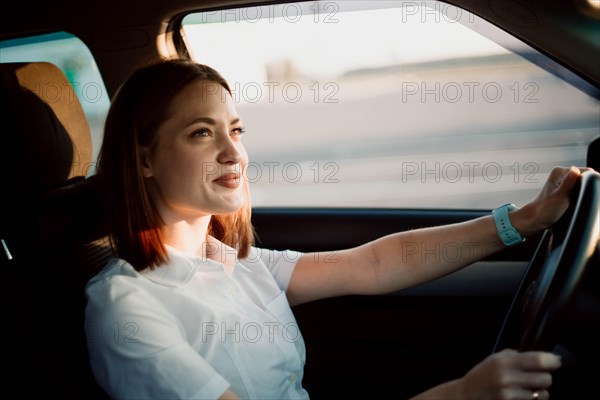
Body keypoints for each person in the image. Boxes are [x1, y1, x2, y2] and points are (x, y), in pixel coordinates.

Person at [85, 59, 590, 400]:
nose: (233, 152)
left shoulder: (235, 264)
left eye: (236, 130)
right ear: (144, 159)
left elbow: (374, 263)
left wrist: (521, 222)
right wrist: (458, 394)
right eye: (202, 132)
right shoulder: (125, 308)